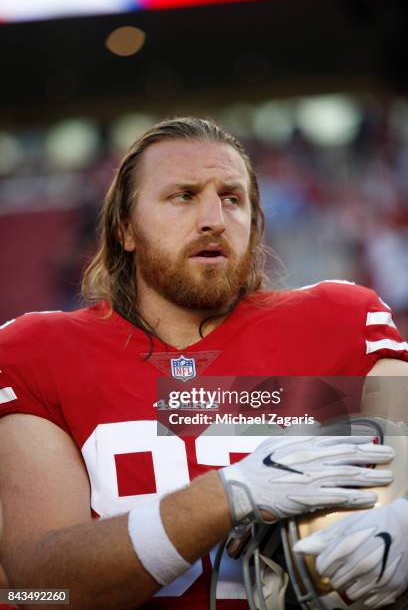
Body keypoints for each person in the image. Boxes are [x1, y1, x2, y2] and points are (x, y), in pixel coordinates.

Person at [0, 116, 407, 610]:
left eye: (232, 198)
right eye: (184, 196)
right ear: (125, 228)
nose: (214, 217)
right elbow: (39, 589)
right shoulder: (38, 351)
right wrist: (225, 497)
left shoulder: (341, 318)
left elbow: (403, 444)